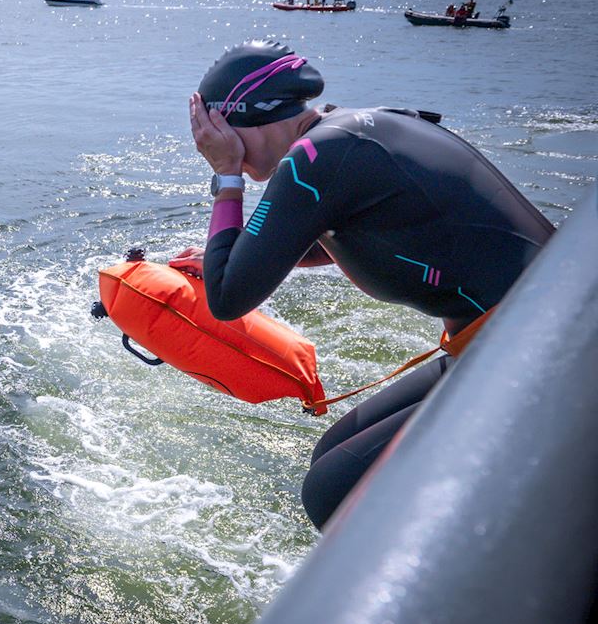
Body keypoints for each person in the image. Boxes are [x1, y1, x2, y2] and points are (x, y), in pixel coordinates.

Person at [184, 41, 554, 530]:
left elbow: (228, 299)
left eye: (216, 133)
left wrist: (226, 176)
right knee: (333, 453)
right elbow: (355, 233)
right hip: (526, 330)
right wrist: (245, 257)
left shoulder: (315, 157)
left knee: (334, 491)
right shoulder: (345, 134)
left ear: (240, 121)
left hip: (544, 350)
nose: (212, 145)